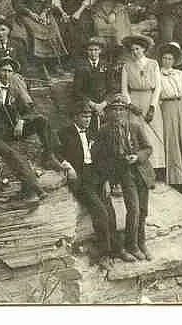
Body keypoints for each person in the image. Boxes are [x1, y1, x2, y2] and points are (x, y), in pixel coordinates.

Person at [0, 57, 62, 202]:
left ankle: (49, 154)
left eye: (10, 71)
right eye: (3, 70)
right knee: (13, 155)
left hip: (9, 129)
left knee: (41, 121)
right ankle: (36, 188)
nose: (6, 74)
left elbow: (29, 109)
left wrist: (21, 121)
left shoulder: (14, 87)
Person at [93, 94, 154, 262]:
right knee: (133, 209)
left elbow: (148, 148)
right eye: (115, 110)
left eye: (121, 109)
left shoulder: (135, 127)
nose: (118, 113)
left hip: (141, 172)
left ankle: (141, 243)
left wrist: (138, 157)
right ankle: (131, 245)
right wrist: (106, 179)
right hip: (123, 173)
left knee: (143, 210)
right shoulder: (104, 131)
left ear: (126, 112)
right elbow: (98, 157)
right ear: (109, 113)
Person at [56, 102, 118, 267]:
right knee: (100, 211)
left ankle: (115, 250)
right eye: (84, 116)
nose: (88, 119)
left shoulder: (93, 133)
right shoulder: (65, 133)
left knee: (110, 211)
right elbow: (53, 152)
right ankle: (103, 254)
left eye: (90, 116)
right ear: (75, 117)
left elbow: (104, 158)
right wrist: (66, 166)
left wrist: (105, 180)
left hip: (96, 176)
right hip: (80, 179)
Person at [120, 34, 165, 181]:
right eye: (132, 50)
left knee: (153, 133)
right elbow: (124, 90)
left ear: (144, 49)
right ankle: (139, 166)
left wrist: (152, 107)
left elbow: (158, 87)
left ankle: (156, 169)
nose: (135, 52)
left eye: (137, 49)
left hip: (149, 99)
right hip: (134, 101)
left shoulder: (153, 64)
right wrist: (130, 104)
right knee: (136, 132)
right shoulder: (126, 66)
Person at [157, 42, 182, 190]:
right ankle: (173, 177)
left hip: (181, 106)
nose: (167, 61)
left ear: (174, 60)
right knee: (171, 138)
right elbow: (157, 94)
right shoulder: (157, 74)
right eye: (165, 58)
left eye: (170, 59)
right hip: (167, 106)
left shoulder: (180, 74)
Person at [71, 37, 112, 134]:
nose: (93, 53)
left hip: (104, 104)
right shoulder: (81, 67)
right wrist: (93, 105)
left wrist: (103, 104)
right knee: (89, 129)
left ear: (100, 51)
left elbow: (112, 88)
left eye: (96, 50)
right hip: (88, 104)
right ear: (86, 51)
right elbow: (77, 90)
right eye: (90, 50)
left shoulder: (106, 65)